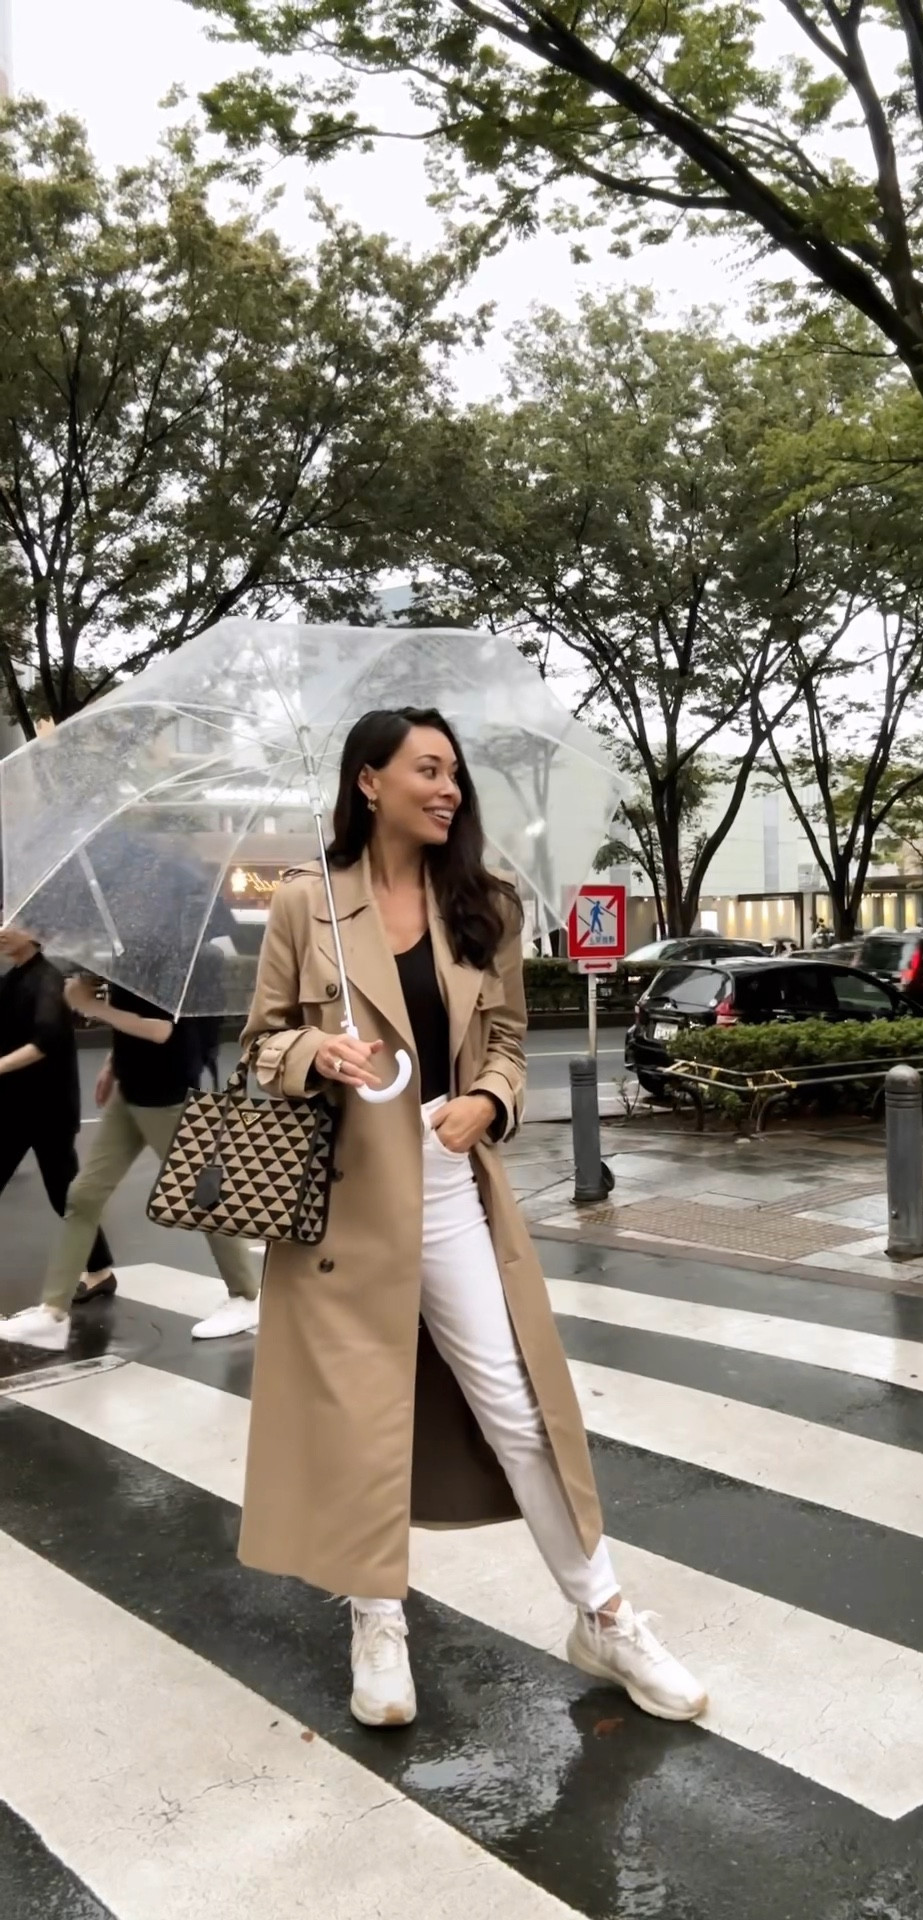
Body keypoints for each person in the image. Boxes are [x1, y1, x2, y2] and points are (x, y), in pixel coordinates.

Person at [239, 706, 707, 1729]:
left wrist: (488, 1102)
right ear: (369, 781)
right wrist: (313, 1055)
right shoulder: (304, 906)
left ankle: (605, 1614)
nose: (448, 788)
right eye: (427, 770)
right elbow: (259, 1040)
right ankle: (377, 1619)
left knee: (519, 1406)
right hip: (338, 1206)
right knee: (364, 1418)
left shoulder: (483, 903)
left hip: (447, 1187)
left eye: (453, 773)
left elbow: (504, 1043)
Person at [0, 972, 260, 1352]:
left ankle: (246, 1297)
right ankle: (53, 1315)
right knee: (84, 1195)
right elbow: (132, 1015)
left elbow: (161, 1031)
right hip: (131, 1091)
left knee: (204, 1198)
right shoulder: (132, 954)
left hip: (168, 1096)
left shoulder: (176, 958)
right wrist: (112, 1062)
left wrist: (91, 1007)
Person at [0, 924, 115, 1295]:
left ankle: (99, 1270)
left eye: (11, 925)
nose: (1, 931)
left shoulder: (47, 980)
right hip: (17, 1106)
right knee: (65, 1192)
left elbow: (45, 1040)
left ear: (35, 935)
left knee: (64, 1192)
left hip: (45, 1109)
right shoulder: (15, 977)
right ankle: (99, 1269)